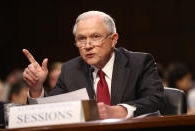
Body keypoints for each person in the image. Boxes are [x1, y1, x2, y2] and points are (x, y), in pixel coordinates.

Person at [22, 11, 164, 119]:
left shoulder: (139, 63)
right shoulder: (70, 70)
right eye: (81, 39)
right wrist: (36, 88)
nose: (88, 46)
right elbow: (50, 113)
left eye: (95, 37)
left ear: (113, 39)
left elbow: (155, 100)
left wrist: (118, 111)